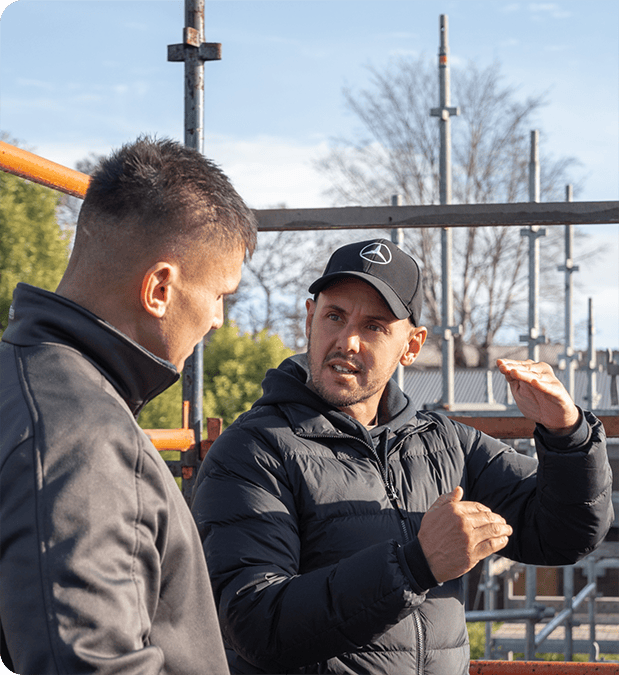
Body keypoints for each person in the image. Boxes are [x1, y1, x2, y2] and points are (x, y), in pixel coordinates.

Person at [191, 238, 613, 675]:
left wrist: (568, 436)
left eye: (374, 326)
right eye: (335, 316)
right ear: (310, 318)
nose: (348, 341)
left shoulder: (447, 443)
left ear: (411, 346)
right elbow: (256, 624)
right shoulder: (252, 451)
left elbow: (566, 532)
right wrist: (415, 566)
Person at [0, 136, 257, 675]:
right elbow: (89, 664)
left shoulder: (28, 382)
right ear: (160, 288)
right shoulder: (82, 440)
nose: (218, 321)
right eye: (219, 295)